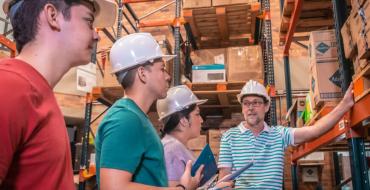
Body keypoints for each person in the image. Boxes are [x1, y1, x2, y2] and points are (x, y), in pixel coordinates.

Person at [0, 0, 116, 189]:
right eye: (89, 21)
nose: (96, 36)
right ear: (53, 16)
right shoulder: (8, 86)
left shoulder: (38, 92)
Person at [95, 33, 203, 190]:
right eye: (162, 69)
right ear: (142, 73)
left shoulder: (136, 118)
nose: (167, 77)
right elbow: (113, 187)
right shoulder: (125, 119)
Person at [218, 80, 354, 189]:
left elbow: (315, 131)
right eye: (246, 103)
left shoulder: (279, 134)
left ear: (266, 107)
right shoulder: (229, 138)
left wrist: (344, 105)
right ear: (242, 108)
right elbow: (224, 181)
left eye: (256, 103)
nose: (251, 108)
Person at [157, 85, 207, 186]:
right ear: (184, 120)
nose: (201, 120)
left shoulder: (177, 146)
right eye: (197, 114)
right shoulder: (172, 149)